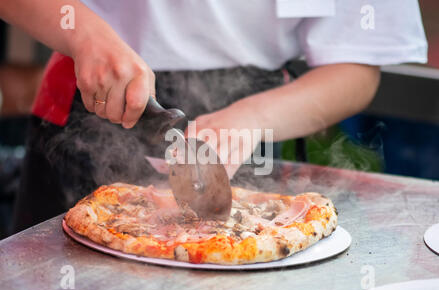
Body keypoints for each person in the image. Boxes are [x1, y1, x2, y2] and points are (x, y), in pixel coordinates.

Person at [0, 0, 427, 233]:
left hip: (258, 124)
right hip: (91, 106)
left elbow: (357, 67)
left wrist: (252, 117)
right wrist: (85, 32)